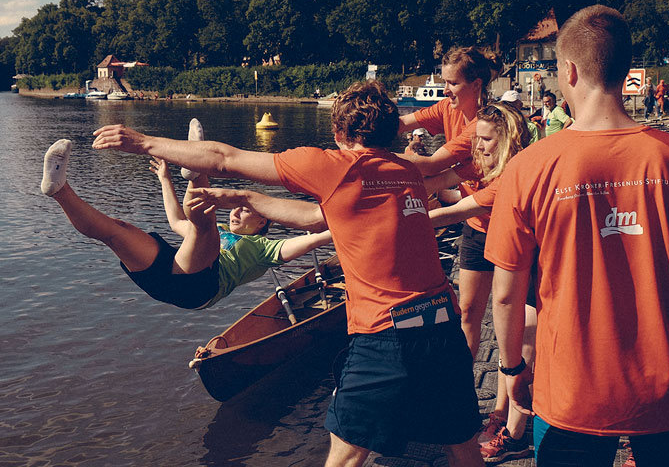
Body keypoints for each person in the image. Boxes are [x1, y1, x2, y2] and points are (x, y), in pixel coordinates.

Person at [92, 81, 483, 467]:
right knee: (462, 447)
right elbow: (315, 217)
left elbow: (223, 157)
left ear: (339, 134)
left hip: (387, 332)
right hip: (443, 326)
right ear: (391, 130)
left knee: (346, 455)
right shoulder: (406, 171)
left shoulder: (335, 166)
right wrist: (245, 198)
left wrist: (142, 141)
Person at [486, 4, 669, 467]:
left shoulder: (530, 167)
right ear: (624, 70)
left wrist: (512, 368)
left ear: (569, 71)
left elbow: (506, 295)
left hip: (572, 393)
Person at [40, 120, 333, 311]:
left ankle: (196, 166)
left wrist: (341, 225)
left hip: (199, 289)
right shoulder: (219, 228)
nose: (236, 210)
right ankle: (59, 190)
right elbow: (176, 221)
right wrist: (165, 180)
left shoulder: (265, 248)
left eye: (246, 210)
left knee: (204, 226)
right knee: (117, 232)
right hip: (169, 275)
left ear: (263, 222)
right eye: (237, 207)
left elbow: (312, 241)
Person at [422, 101, 536, 464]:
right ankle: (460, 393)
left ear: (507, 139)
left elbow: (455, 211)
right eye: (477, 137)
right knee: (468, 311)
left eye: (486, 139)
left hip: (512, 241)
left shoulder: (513, 174)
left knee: (511, 326)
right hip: (475, 236)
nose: (478, 145)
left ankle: (503, 412)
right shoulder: (478, 159)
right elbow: (438, 181)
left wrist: (403, 220)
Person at [399, 47, 499, 176]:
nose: (445, 90)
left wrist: (377, 156)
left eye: (453, 83)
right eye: (445, 82)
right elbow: (403, 122)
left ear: (476, 84)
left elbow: (432, 166)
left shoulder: (484, 124)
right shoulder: (447, 107)